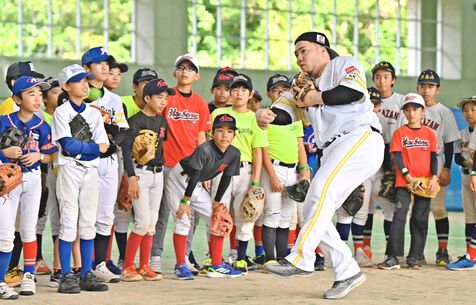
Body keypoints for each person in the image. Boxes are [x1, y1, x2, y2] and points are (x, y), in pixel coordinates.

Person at [260, 31, 384, 300]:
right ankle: (346, 268)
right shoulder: (303, 84)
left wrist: (315, 97)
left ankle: (301, 258)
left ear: (322, 49)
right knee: (313, 206)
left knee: (319, 195)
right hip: (334, 148)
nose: (299, 57)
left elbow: (351, 91)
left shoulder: (341, 64)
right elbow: (283, 113)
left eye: (304, 50)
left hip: (360, 137)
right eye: (296, 53)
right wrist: (265, 114)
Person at [150, 54, 211, 276]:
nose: (185, 71)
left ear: (197, 75)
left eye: (190, 68)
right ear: (175, 73)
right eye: (181, 67)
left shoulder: (200, 104)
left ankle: (183, 256)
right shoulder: (167, 97)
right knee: (161, 213)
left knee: (188, 214)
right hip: (165, 163)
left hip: (190, 168)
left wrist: (204, 169)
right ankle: (155, 256)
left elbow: (201, 138)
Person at [52, 64, 109, 293]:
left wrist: (84, 149)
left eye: (87, 80)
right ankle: (66, 275)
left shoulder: (94, 113)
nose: (86, 84)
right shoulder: (61, 112)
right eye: (79, 80)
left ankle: (86, 273)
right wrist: (90, 148)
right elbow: (67, 146)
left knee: (88, 224)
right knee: (68, 222)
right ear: (66, 86)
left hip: (91, 171)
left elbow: (104, 147)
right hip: (69, 170)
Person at [166, 113, 243, 279]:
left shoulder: (234, 153)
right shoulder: (205, 149)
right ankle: (180, 265)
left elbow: (226, 178)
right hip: (179, 179)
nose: (224, 135)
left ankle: (215, 265)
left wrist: (216, 203)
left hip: (195, 184)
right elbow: (194, 175)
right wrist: (185, 201)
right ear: (212, 134)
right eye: (220, 130)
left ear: (234, 135)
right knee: (183, 221)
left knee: (217, 220)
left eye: (229, 131)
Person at [0, 76, 58, 296]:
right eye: (31, 94)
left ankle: (29, 276)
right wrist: (2, 153)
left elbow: (51, 155)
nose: (38, 98)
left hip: (32, 180)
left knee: (28, 230)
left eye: (40, 94)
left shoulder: (43, 125)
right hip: (6, 181)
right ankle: (1, 281)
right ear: (17, 98)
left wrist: (40, 155)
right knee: (5, 233)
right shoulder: (4, 121)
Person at [210, 74, 268, 274]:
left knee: (246, 214)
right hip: (220, 169)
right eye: (235, 89)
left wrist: (256, 181)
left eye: (244, 90)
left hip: (245, 170)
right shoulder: (218, 113)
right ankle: (215, 258)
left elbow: (257, 150)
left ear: (251, 94)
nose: (239, 93)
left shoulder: (254, 118)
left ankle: (241, 258)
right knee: (220, 212)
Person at [377, 93, 439, 270]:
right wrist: (408, 176)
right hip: (404, 182)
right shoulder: (400, 133)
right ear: (404, 112)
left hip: (424, 183)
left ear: (423, 111)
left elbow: (434, 157)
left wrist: (434, 177)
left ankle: (415, 257)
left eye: (415, 109)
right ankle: (393, 256)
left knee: (420, 219)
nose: (411, 113)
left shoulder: (429, 134)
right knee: (399, 216)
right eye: (408, 109)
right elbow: (397, 156)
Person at [120, 78, 171, 281]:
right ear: (147, 97)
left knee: (152, 222)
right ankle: (127, 267)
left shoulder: (162, 121)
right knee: (141, 222)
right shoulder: (135, 121)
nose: (163, 101)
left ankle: (143, 266)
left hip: (158, 174)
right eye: (159, 97)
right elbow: (126, 149)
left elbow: (159, 147)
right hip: (140, 174)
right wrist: (131, 177)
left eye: (166, 98)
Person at [412, 69, 460, 266]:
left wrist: (447, 168)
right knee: (417, 211)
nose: (426, 90)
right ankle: (417, 251)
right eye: (423, 86)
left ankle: (442, 250)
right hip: (415, 164)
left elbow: (449, 143)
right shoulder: (412, 108)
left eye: (430, 87)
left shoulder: (444, 112)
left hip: (437, 163)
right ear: (417, 88)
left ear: (437, 90)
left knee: (439, 209)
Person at [365, 61, 404, 255]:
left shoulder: (401, 102)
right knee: (365, 206)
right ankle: (365, 248)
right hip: (368, 155)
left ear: (393, 80)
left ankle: (392, 251)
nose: (382, 81)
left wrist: (396, 165)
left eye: (386, 76)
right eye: (378, 77)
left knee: (389, 204)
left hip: (392, 157)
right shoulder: (364, 99)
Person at [447, 96, 476, 270]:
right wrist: (469, 165)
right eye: (465, 110)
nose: (468, 113)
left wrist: (474, 171)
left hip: (474, 177)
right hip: (467, 177)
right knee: (470, 218)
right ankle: (469, 253)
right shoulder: (464, 133)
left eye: (473, 110)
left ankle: (471, 257)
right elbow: (458, 157)